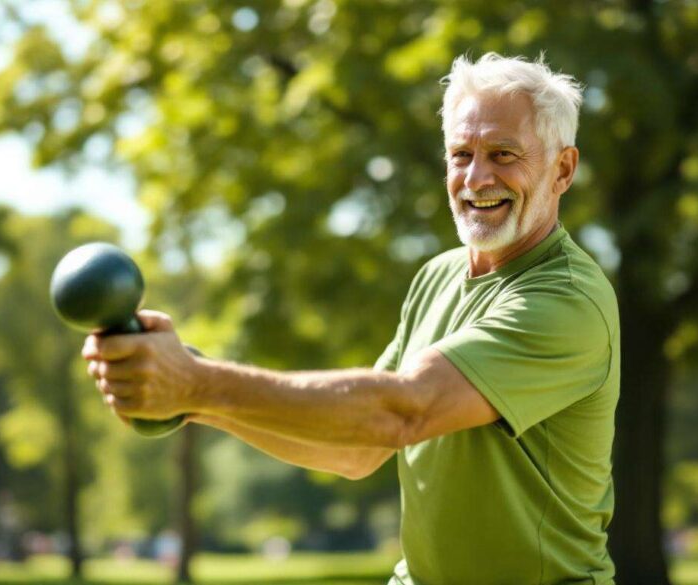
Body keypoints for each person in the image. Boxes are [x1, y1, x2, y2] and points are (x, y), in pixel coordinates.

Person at [82, 53, 619, 585]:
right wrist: (190, 398)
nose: (477, 178)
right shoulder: (437, 276)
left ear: (563, 169)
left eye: (504, 154)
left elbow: (404, 411)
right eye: (461, 154)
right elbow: (359, 448)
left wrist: (196, 381)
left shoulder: (568, 299)